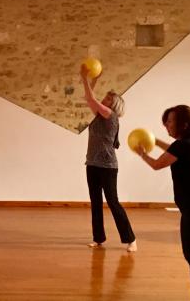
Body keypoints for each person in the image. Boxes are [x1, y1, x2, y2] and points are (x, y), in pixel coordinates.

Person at [136, 105, 190, 301]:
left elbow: (157, 164)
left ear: (183, 124)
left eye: (170, 121)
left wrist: (142, 153)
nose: (166, 125)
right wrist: (155, 142)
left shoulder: (182, 146)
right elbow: (173, 150)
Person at [81, 69, 136, 252]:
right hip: (92, 164)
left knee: (113, 202)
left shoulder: (110, 116)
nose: (104, 100)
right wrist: (93, 79)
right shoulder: (99, 116)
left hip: (107, 167)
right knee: (95, 202)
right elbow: (89, 99)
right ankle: (98, 238)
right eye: (105, 98)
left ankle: (131, 239)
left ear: (114, 105)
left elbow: (91, 99)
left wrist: (84, 77)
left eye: (108, 99)